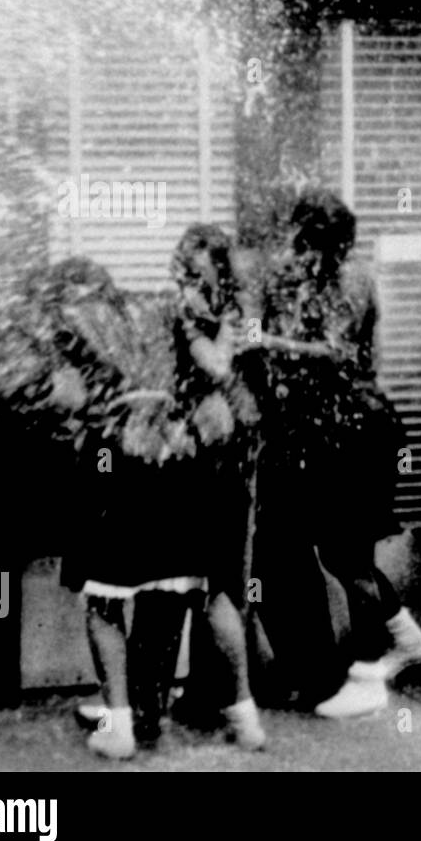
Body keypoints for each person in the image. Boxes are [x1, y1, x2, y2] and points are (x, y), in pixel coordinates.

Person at [254, 190, 421, 719]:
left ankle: (396, 649)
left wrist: (266, 342)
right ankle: (397, 644)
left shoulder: (346, 281)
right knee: (344, 552)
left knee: (346, 554)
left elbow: (337, 353)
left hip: (356, 432)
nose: (295, 250)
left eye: (302, 239)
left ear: (315, 238)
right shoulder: (336, 276)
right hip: (355, 428)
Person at [46, 257, 208, 760]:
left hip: (114, 457)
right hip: (173, 454)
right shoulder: (151, 315)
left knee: (104, 596)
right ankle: (147, 714)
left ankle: (118, 723)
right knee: (164, 590)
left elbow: (68, 397)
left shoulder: (70, 327)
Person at [168, 224, 268, 750]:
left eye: (197, 262)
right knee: (217, 581)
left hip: (220, 455)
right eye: (184, 261)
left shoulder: (216, 311)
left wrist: (192, 325)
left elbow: (217, 364)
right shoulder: (225, 307)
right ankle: (211, 697)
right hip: (221, 453)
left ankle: (239, 708)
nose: (188, 269)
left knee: (216, 584)